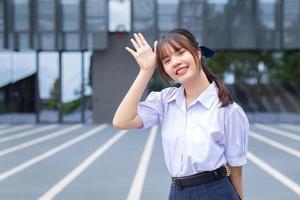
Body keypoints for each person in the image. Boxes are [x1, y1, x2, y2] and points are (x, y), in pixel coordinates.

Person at [113, 29, 249, 200]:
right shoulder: (165, 101)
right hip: (178, 192)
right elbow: (121, 121)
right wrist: (146, 71)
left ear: (197, 53)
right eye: (167, 60)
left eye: (180, 52)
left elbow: (236, 170)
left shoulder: (228, 110)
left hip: (216, 192)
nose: (175, 62)